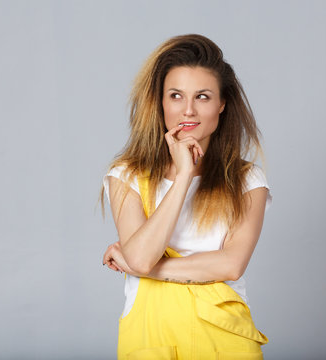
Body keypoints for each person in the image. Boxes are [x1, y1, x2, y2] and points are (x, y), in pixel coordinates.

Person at [101, 34, 272, 359]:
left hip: (226, 339)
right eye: (176, 95)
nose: (188, 110)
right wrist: (182, 176)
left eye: (203, 97)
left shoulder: (247, 179)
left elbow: (232, 264)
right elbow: (138, 257)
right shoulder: (126, 176)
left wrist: (145, 268)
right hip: (151, 338)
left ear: (222, 104)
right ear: (160, 101)